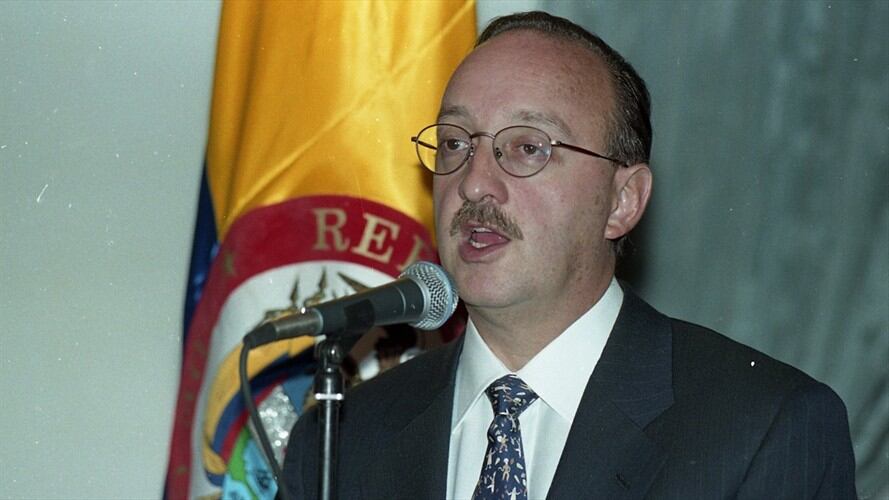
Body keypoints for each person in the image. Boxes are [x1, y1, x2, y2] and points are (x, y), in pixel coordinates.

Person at [283, 11, 857, 499]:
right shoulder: (337, 443)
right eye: (456, 143)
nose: (475, 183)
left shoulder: (764, 429)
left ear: (622, 201)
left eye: (528, 147)